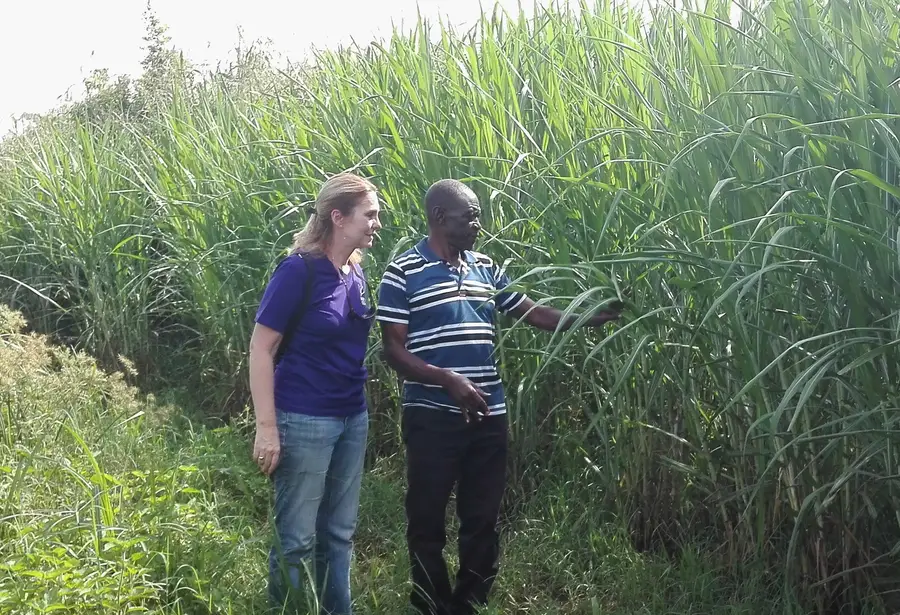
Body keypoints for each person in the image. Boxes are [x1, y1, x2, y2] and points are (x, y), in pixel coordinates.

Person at [376, 179, 622, 615]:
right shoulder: (403, 271)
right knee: (426, 517)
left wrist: (589, 316)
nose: (478, 224)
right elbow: (393, 350)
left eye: (478, 215)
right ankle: (432, 602)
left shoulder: (485, 266)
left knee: (482, 517)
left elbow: (533, 312)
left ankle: (470, 603)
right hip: (432, 415)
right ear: (438, 217)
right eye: (468, 216)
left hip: (489, 413)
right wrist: (447, 379)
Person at [248, 172, 382, 615]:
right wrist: (267, 427)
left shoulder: (356, 272)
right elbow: (262, 349)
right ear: (338, 217)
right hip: (304, 418)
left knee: (339, 534)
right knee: (297, 539)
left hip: (351, 417)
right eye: (370, 215)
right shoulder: (298, 271)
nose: (376, 223)